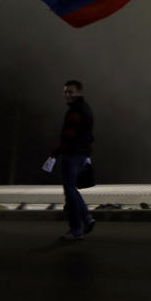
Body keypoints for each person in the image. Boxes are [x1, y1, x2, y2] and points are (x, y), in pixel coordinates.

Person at [52, 79, 96, 240]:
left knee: (69, 191)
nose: (67, 95)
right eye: (65, 91)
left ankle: (77, 228)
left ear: (79, 92)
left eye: (70, 92)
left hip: (71, 155)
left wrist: (56, 153)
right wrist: (87, 155)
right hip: (81, 154)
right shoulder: (86, 109)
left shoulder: (75, 111)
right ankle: (86, 219)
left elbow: (69, 135)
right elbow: (89, 136)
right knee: (72, 189)